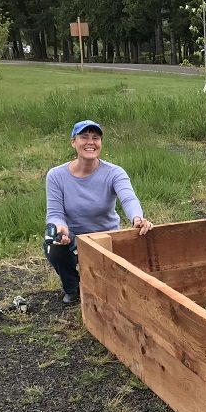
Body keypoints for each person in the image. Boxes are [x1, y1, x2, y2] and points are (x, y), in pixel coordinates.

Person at [44, 120, 153, 304]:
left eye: (96, 138)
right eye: (84, 137)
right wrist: (60, 227)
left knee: (112, 288)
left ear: (100, 143)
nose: (90, 142)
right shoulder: (56, 175)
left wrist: (137, 217)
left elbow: (128, 198)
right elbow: (54, 212)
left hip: (107, 236)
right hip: (74, 239)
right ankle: (73, 288)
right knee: (54, 246)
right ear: (73, 142)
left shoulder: (114, 172)